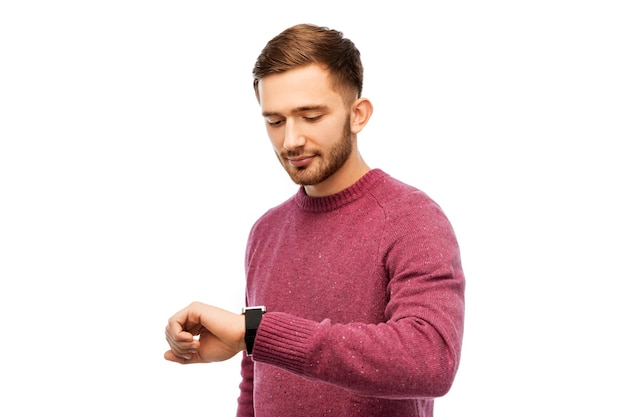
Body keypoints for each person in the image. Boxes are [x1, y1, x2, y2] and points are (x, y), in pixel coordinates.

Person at [164, 23, 465, 417]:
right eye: (275, 121)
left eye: (310, 116)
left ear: (358, 115)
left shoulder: (411, 219)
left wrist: (255, 332)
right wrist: (252, 339)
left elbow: (430, 360)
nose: (290, 141)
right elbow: (255, 383)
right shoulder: (265, 231)